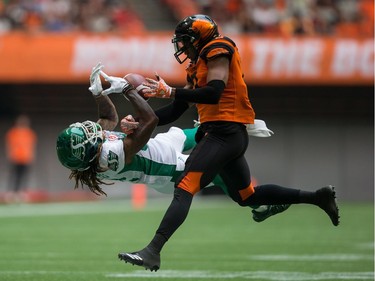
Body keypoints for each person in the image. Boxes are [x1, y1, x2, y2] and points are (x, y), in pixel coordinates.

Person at [101, 14, 339, 272]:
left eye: (185, 42)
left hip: (224, 132)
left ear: (199, 38)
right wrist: (140, 123)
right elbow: (174, 110)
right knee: (247, 196)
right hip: (220, 134)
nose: (182, 48)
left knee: (185, 186)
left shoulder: (218, 48)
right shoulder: (196, 66)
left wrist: (171, 91)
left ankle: (152, 251)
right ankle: (318, 197)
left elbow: (214, 92)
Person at [56, 63, 288, 223]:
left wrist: (98, 93)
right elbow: (151, 119)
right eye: (86, 135)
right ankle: (258, 205)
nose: (91, 130)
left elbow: (108, 119)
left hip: (159, 146)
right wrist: (128, 90)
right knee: (218, 171)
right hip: (165, 168)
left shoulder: (94, 151)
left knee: (201, 131)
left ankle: (230, 124)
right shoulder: (109, 157)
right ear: (86, 152)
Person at [5, 114, 37, 203]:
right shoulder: (13, 132)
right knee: (14, 176)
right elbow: (9, 145)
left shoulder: (30, 133)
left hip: (25, 158)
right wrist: (10, 154)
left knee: (24, 176)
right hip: (16, 157)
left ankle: (22, 192)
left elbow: (31, 146)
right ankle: (12, 193)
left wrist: (32, 155)